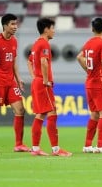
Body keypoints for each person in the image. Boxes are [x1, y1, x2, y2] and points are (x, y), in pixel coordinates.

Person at [0, 14, 30, 153]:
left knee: (20, 110)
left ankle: (19, 144)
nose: (15, 27)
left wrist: (18, 78)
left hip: (11, 82)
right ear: (5, 25)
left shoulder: (14, 41)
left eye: (16, 24)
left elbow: (14, 62)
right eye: (12, 24)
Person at [27, 18, 72, 157]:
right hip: (43, 83)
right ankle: (56, 149)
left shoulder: (36, 44)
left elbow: (29, 62)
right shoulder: (44, 44)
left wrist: (35, 77)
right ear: (46, 29)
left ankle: (35, 149)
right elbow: (44, 62)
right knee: (52, 113)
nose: (54, 30)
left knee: (41, 114)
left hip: (37, 82)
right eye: (52, 28)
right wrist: (45, 80)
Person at [77, 17, 102, 154]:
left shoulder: (88, 43)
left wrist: (88, 70)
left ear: (92, 29)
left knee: (94, 115)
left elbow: (79, 57)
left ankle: (87, 145)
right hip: (99, 82)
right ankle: (100, 146)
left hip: (89, 82)